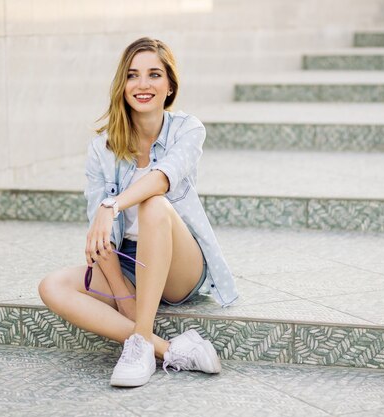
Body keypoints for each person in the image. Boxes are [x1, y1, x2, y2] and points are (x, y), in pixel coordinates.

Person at [38, 37, 238, 388]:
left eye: (154, 75)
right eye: (132, 75)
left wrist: (112, 203)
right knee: (52, 286)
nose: (142, 85)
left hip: (180, 263)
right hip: (130, 262)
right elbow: (103, 239)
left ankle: (140, 344)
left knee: (153, 204)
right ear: (122, 85)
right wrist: (122, 295)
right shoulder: (102, 147)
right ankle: (164, 348)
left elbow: (163, 179)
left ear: (170, 85)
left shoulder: (188, 130)